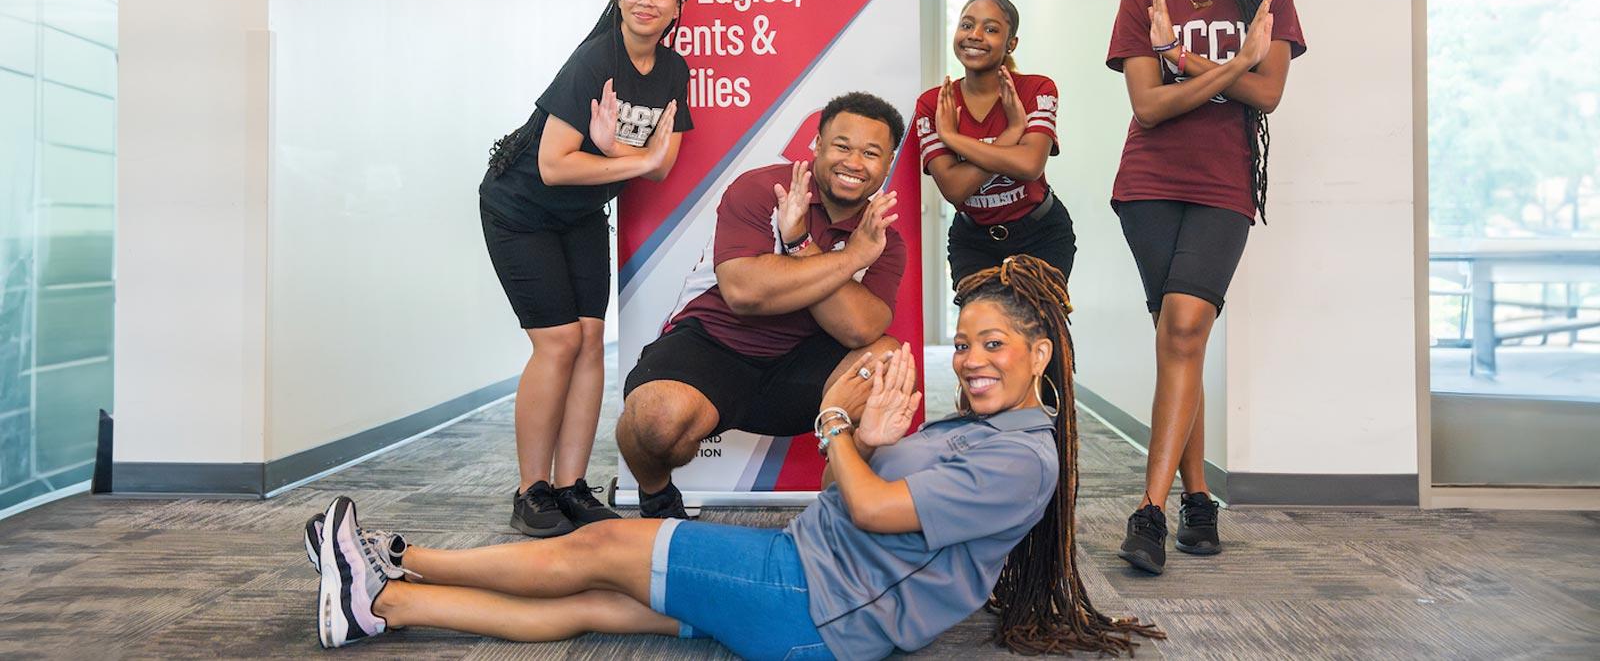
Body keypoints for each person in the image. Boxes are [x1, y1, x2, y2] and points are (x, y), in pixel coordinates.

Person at [307, 257, 1162, 658]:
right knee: (599, 602)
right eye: (967, 342)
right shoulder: (977, 432)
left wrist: (835, 424)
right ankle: (383, 601)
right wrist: (864, 446)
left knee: (599, 549)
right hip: (808, 573)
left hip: (818, 605)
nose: (973, 360)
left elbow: (866, 507)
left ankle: (396, 560)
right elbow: (854, 491)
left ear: (1042, 353)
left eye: (996, 345)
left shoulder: (1020, 462)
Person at [1104, 0, 1306, 574]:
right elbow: (1150, 107)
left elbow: (1270, 92)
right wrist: (1227, 65)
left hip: (1223, 186)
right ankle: (1197, 498)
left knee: (1184, 328)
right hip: (1149, 186)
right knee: (1177, 340)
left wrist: (1183, 60)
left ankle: (1149, 512)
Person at [478, 0, 694, 537]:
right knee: (557, 344)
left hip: (578, 213)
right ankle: (532, 491)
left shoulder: (673, 71)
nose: (645, 0)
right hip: (519, 208)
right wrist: (632, 156)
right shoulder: (593, 60)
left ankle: (571, 487)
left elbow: (658, 168)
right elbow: (552, 164)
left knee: (592, 340)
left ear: (678, 8)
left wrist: (615, 152)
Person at [617, 92, 908, 519]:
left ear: (887, 164)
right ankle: (656, 493)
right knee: (655, 420)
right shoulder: (762, 189)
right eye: (842, 146)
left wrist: (799, 246)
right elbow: (744, 293)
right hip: (715, 344)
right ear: (817, 146)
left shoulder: (881, 236)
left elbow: (860, 329)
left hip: (802, 366)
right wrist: (850, 259)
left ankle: (841, 503)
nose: (854, 162)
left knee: (885, 360)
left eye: (871, 153)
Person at [912, 0, 1075, 289]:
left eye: (990, 29)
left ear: (1011, 43)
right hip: (972, 242)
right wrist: (1012, 134)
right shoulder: (932, 103)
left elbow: (1028, 165)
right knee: (982, 332)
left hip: (1041, 234)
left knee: (1036, 328)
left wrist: (953, 138)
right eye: (966, 25)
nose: (974, 36)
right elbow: (953, 188)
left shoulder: (1037, 88)